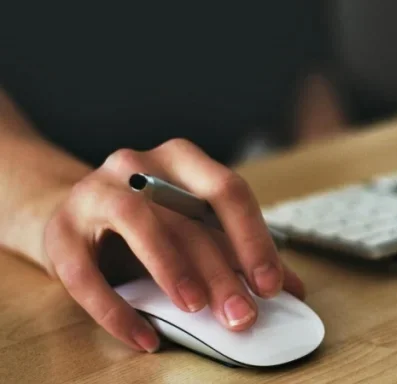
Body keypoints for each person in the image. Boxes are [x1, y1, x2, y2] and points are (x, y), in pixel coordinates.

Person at [0, 2, 345, 354]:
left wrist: (338, 201)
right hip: (72, 185)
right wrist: (63, 205)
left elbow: (310, 76)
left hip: (240, 194)